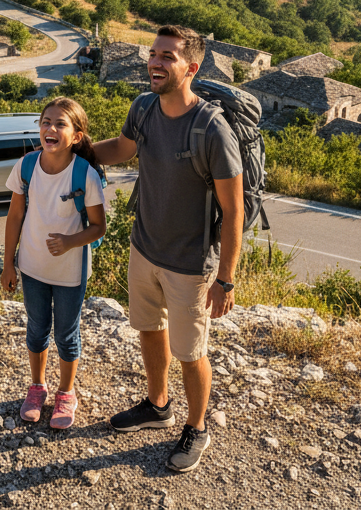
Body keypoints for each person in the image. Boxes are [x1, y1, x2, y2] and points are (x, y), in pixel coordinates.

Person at [92, 25, 244, 473]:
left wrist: (226, 278)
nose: (155, 63)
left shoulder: (211, 129)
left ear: (191, 68)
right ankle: (158, 406)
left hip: (190, 264)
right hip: (145, 249)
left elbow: (233, 212)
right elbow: (122, 148)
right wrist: (73, 152)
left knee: (191, 351)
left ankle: (197, 427)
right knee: (149, 329)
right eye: (153, 54)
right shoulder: (143, 108)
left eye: (167, 57)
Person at [0, 98, 106, 430]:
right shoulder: (26, 165)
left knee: (66, 333)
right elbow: (15, 215)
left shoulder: (83, 174)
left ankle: (66, 392)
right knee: (36, 329)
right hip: (31, 267)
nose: (51, 128)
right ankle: (37, 387)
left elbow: (98, 226)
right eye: (46, 122)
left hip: (70, 271)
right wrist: (8, 264)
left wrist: (70, 242)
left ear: (76, 135)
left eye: (60, 124)